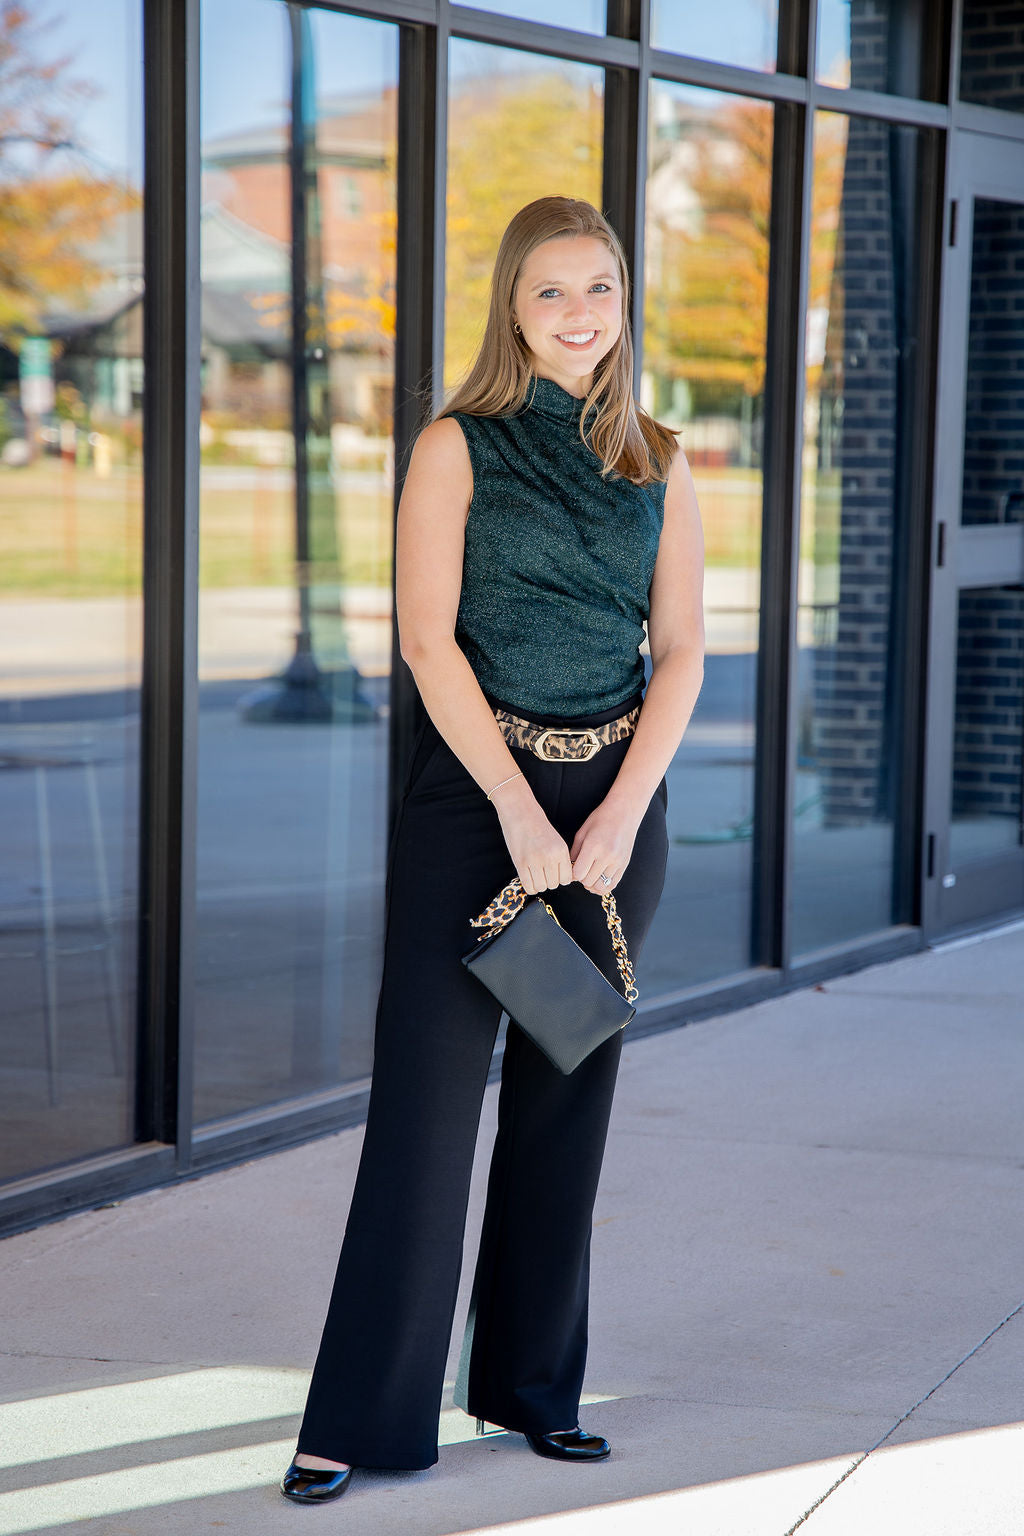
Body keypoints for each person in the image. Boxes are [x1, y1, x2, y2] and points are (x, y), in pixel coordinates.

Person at [280, 194, 704, 1504]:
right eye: (550, 294)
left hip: (612, 808)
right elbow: (423, 642)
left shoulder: (661, 455)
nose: (579, 316)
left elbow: (681, 649)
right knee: (426, 1112)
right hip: (476, 803)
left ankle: (533, 1392)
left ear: (623, 302)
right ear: (511, 309)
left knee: (565, 1100)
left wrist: (622, 810)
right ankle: (358, 1419)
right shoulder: (457, 445)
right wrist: (521, 812)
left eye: (598, 290)